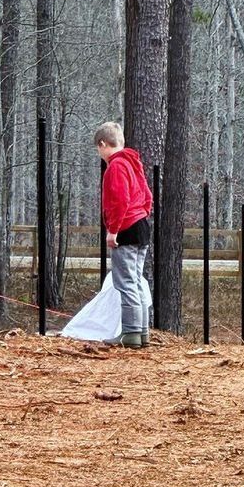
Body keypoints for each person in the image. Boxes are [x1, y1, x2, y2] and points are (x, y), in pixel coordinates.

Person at [94, 121, 153, 349]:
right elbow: (147, 195)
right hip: (141, 226)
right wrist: (142, 215)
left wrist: (113, 230)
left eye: (98, 149)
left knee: (126, 283)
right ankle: (142, 332)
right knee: (137, 281)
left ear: (103, 144)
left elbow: (119, 201)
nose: (100, 154)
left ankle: (130, 333)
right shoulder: (133, 164)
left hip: (126, 229)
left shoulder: (116, 167)